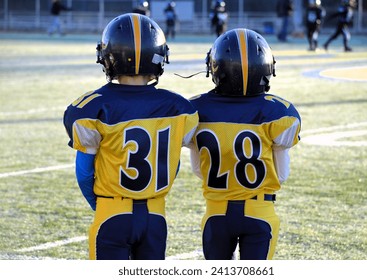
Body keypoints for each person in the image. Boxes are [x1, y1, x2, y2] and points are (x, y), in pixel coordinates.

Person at [63, 13, 198, 260]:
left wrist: (100, 204)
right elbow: (172, 164)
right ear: (159, 56)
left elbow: (84, 172)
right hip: (156, 216)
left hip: (112, 213)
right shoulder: (179, 107)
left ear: (107, 56)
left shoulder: (93, 107)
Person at [188, 28, 301, 260]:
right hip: (260, 211)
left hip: (216, 212)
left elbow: (199, 170)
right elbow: (281, 175)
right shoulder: (280, 112)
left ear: (215, 67)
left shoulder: (195, 110)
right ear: (267, 67)